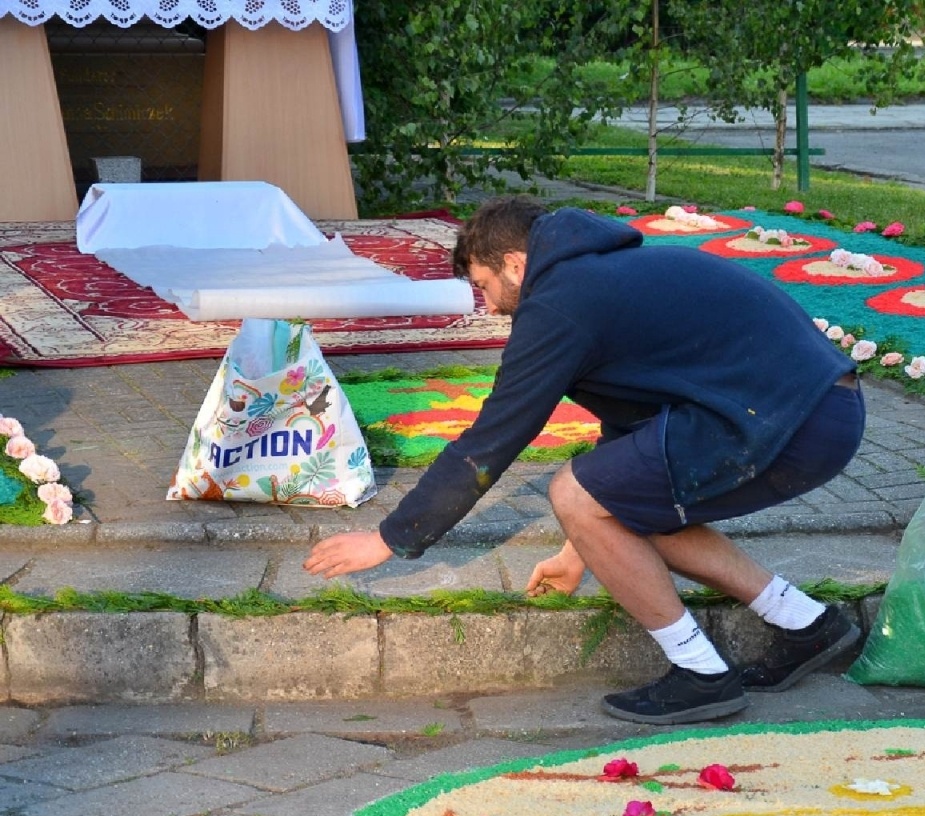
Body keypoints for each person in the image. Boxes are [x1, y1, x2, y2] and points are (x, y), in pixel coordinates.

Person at [304, 195, 865, 724]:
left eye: (484, 285)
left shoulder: (560, 303)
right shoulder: (598, 276)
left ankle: (701, 673)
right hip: (814, 410)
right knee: (625, 502)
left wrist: (388, 538)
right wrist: (580, 549)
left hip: (793, 421)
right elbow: (635, 431)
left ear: (516, 264)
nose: (489, 305)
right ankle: (807, 624)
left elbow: (490, 440)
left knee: (574, 491)